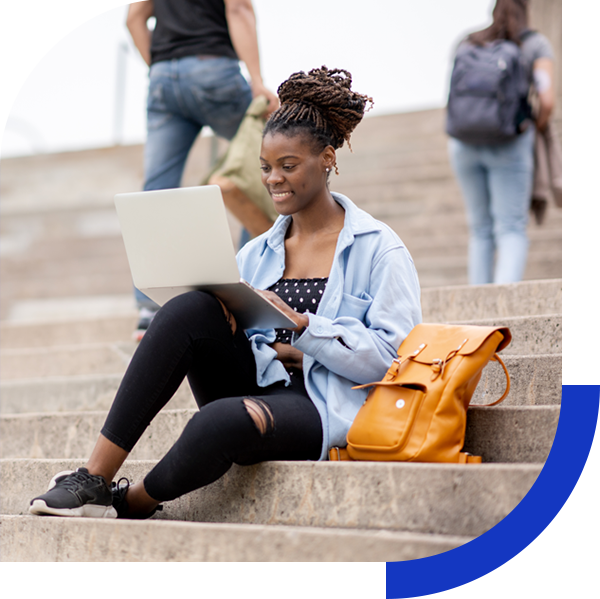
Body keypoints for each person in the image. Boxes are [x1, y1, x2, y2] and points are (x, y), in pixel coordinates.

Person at [29, 66, 422, 520]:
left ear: (328, 159)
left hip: (325, 407)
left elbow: (396, 360)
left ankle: (132, 501)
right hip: (256, 381)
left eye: (288, 166)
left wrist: (304, 329)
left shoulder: (380, 249)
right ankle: (93, 479)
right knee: (190, 307)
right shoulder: (257, 253)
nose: (273, 179)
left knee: (220, 422)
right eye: (266, 168)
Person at [126, 0, 279, 339]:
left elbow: (135, 18)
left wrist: (165, 69)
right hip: (214, 69)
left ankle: (149, 307)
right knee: (263, 169)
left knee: (155, 191)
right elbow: (238, 7)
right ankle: (246, 288)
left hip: (163, 75)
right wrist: (256, 80)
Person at [447, 0, 556, 285]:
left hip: (463, 144)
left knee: (480, 229)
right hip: (510, 143)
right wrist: (534, 126)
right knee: (511, 227)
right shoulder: (535, 44)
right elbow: (547, 100)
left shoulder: (468, 42)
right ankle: (505, 299)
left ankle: (478, 299)